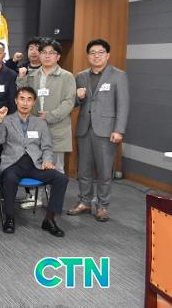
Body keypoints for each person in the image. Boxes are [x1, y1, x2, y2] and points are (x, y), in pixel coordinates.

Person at [67, 39, 129, 222]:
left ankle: (102, 206)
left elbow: (123, 105)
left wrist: (119, 130)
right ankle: (84, 202)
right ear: (88, 56)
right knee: (84, 170)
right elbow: (75, 103)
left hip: (107, 131)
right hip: (84, 129)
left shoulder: (118, 75)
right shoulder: (81, 76)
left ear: (107, 55)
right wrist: (78, 98)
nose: (96, 56)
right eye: (92, 52)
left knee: (104, 171)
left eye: (100, 52)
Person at [0, 87, 68, 237]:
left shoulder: (40, 123)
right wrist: (0, 120)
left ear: (34, 102)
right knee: (10, 178)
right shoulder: (7, 120)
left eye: (29, 99)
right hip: (13, 164)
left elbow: (47, 147)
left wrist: (47, 161)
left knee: (61, 178)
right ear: (16, 101)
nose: (25, 103)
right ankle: (9, 218)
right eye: (22, 99)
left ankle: (49, 219)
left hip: (35, 165)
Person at [16, 38, 75, 174]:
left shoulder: (67, 76)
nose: (47, 56)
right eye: (43, 52)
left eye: (51, 53)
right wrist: (21, 79)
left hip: (57, 128)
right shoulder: (32, 75)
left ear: (58, 56)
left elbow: (69, 102)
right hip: (35, 128)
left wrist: (49, 116)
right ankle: (39, 190)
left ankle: (56, 189)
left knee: (56, 169)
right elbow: (23, 97)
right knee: (36, 166)